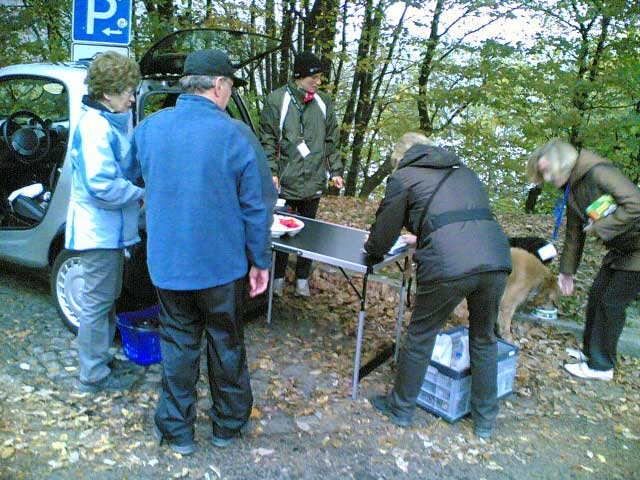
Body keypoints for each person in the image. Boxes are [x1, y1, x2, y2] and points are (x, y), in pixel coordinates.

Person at [134, 49, 272, 455]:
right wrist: (260, 261)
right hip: (221, 266)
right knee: (225, 342)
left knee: (177, 343)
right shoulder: (235, 134)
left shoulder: (149, 128)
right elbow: (258, 205)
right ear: (218, 86)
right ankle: (227, 426)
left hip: (168, 263)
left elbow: (132, 177)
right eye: (229, 87)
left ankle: (177, 431)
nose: (229, 95)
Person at [364, 132, 512, 438]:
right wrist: (425, 234)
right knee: (484, 339)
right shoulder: (465, 172)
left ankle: (401, 408)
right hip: (496, 259)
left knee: (421, 335)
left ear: (400, 156)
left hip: (450, 265)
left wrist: (373, 251)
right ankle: (485, 421)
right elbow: (465, 219)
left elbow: (382, 234)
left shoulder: (404, 177)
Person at [527, 139, 640, 381]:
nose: (545, 178)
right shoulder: (573, 189)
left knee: (611, 303)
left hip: (637, 250)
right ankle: (590, 353)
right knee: (597, 295)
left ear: (561, 162)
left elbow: (635, 203)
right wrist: (567, 272)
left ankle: (601, 367)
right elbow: (573, 234)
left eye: (547, 170)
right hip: (622, 250)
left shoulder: (599, 173)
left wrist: (600, 227)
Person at [66, 51, 144, 394]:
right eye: (128, 90)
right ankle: (92, 374)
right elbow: (101, 185)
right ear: (107, 92)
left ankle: (100, 360)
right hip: (97, 232)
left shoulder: (111, 120)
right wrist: (139, 194)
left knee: (107, 297)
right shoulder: (95, 126)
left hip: (111, 231)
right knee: (97, 302)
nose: (132, 97)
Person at [259, 51, 344, 297]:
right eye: (314, 77)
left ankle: (302, 279)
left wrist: (335, 170)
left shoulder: (324, 102)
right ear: (299, 77)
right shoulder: (277, 100)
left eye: (320, 77)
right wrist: (271, 171)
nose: (318, 82)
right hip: (286, 181)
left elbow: (331, 141)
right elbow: (268, 140)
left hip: (314, 179)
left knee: (309, 232)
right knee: (282, 231)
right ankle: (276, 278)